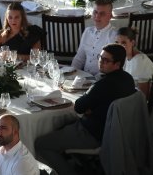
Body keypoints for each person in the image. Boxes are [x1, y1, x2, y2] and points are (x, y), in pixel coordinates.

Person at [35, 43, 136, 175]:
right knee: (60, 127)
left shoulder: (103, 84)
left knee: (41, 144)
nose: (101, 62)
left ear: (117, 64)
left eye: (106, 60)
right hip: (116, 131)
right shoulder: (128, 79)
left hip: (93, 134)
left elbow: (78, 107)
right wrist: (92, 108)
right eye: (100, 57)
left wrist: (89, 108)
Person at [72, 0, 116, 75]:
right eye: (95, 12)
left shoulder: (114, 35)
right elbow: (79, 58)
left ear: (110, 16)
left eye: (102, 14)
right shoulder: (87, 31)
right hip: (84, 77)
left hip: (102, 79)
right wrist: (72, 72)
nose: (97, 16)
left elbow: (111, 66)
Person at [115, 27, 153, 98]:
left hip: (135, 100)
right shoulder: (125, 57)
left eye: (123, 43)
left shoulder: (140, 61)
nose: (119, 46)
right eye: (117, 43)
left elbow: (143, 96)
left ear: (132, 43)